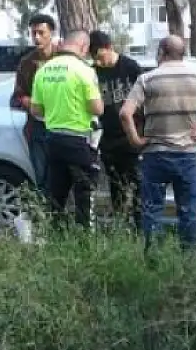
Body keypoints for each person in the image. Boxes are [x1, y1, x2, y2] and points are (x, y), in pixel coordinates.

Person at [119, 35, 196, 251]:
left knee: (152, 210)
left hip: (155, 155)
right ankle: (188, 258)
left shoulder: (147, 79)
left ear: (162, 52)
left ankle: (153, 259)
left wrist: (136, 140)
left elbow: (125, 113)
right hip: (186, 156)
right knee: (188, 210)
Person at [29, 30, 105, 229]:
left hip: (53, 140)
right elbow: (97, 108)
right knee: (84, 196)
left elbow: (36, 110)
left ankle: (56, 238)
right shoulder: (84, 70)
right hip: (79, 140)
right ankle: (84, 243)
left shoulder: (44, 70)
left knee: (57, 196)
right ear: (83, 47)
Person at [88, 30, 144, 223]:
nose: (98, 61)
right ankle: (120, 225)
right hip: (108, 138)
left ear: (109, 47)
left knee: (138, 184)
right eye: (94, 57)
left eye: (100, 55)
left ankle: (140, 225)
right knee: (116, 186)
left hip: (131, 136)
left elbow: (144, 100)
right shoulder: (93, 71)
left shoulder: (130, 67)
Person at [10, 14, 58, 188]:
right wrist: (28, 102)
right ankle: (46, 214)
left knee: (65, 179)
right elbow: (16, 96)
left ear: (51, 33)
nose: (37, 37)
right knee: (42, 179)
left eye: (41, 32)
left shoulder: (64, 58)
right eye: (33, 33)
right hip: (37, 128)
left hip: (65, 125)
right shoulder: (27, 63)